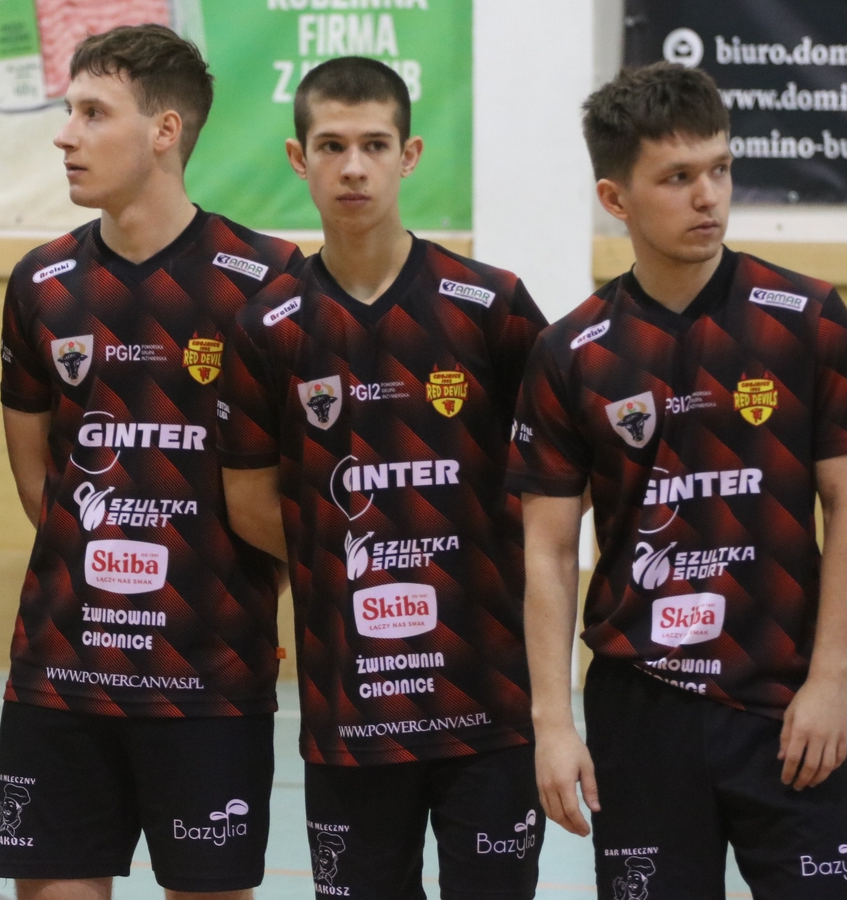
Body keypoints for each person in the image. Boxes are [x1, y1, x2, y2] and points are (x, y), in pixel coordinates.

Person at [508, 62, 847, 899]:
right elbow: (547, 550)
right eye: (677, 177)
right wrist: (552, 724)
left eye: (719, 168)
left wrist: (830, 681)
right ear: (615, 198)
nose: (708, 196)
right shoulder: (572, 352)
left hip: (785, 702)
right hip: (640, 709)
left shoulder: (807, 318)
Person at [218, 57, 548, 900]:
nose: (354, 168)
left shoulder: (491, 306)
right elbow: (249, 502)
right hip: (350, 704)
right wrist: (346, 554)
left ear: (410, 155)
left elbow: (556, 483)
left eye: (374, 145)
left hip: (488, 696)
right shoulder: (268, 326)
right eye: (332, 146)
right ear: (299, 159)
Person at [0, 24, 301, 900]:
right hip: (62, 670)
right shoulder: (42, 282)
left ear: (166, 131)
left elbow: (295, 489)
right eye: (69, 112)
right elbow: (37, 479)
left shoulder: (270, 282)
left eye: (94, 113)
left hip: (210, 675)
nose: (66, 135)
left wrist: (235, 593)